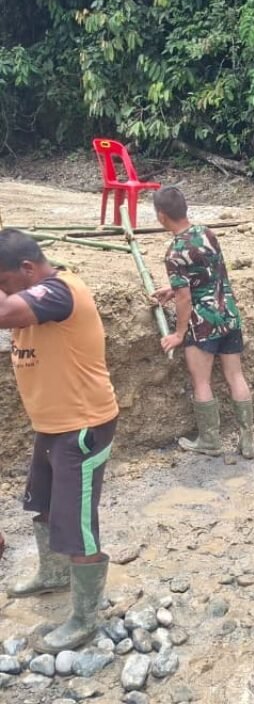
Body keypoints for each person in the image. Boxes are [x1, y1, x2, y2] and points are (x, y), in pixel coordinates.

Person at [0, 229, 118, 653]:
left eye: (5, 282)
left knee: (77, 522)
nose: (4, 291)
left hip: (82, 427)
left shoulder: (61, 291)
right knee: (46, 505)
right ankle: (53, 574)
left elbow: (4, 312)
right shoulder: (37, 293)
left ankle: (86, 617)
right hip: (53, 424)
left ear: (28, 269)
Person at [152, 186, 254, 459]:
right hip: (228, 313)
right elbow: (209, 273)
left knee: (202, 382)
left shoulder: (174, 252)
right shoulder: (207, 233)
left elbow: (185, 298)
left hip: (204, 323)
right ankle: (247, 441)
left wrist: (179, 334)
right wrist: (174, 288)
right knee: (236, 375)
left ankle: (210, 441)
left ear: (161, 216)